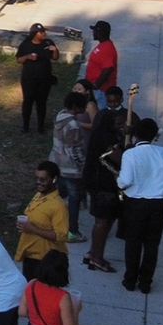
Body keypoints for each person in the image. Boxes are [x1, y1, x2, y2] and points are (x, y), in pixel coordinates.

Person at [117, 118, 163, 293]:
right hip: (158, 204)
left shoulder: (130, 154)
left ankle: (130, 280)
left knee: (133, 242)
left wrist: (119, 182)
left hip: (135, 204)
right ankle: (145, 282)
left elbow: (125, 181)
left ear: (135, 134)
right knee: (152, 244)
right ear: (155, 136)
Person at [81, 86, 134, 273]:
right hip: (101, 185)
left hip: (104, 183)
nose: (122, 125)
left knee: (108, 218)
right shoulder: (105, 137)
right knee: (102, 220)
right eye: (119, 123)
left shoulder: (105, 133)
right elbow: (120, 158)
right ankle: (96, 258)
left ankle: (92, 252)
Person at [15, 162, 71, 281]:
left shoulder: (58, 206)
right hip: (31, 255)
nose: (38, 182)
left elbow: (60, 236)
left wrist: (32, 229)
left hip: (46, 259)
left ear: (54, 179)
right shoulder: (38, 195)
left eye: (43, 179)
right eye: (37, 178)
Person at [51, 92, 91, 239]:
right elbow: (73, 149)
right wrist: (83, 162)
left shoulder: (60, 116)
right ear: (76, 106)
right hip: (72, 169)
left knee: (58, 195)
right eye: (84, 106)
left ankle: (48, 221)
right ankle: (72, 231)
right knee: (74, 199)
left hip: (59, 164)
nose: (86, 108)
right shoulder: (73, 124)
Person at [16, 23, 60, 133]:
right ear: (35, 34)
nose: (44, 34)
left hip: (44, 78)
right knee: (28, 101)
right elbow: (19, 59)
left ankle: (41, 126)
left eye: (44, 32)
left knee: (41, 102)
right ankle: (25, 126)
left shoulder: (48, 43)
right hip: (29, 79)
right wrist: (28, 56)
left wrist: (55, 50)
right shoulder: (25, 45)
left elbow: (55, 58)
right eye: (41, 32)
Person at [84, 22, 118, 108]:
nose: (93, 33)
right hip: (97, 89)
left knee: (99, 113)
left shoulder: (107, 48)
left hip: (102, 90)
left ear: (99, 33)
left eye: (94, 31)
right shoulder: (103, 45)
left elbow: (108, 68)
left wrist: (96, 85)